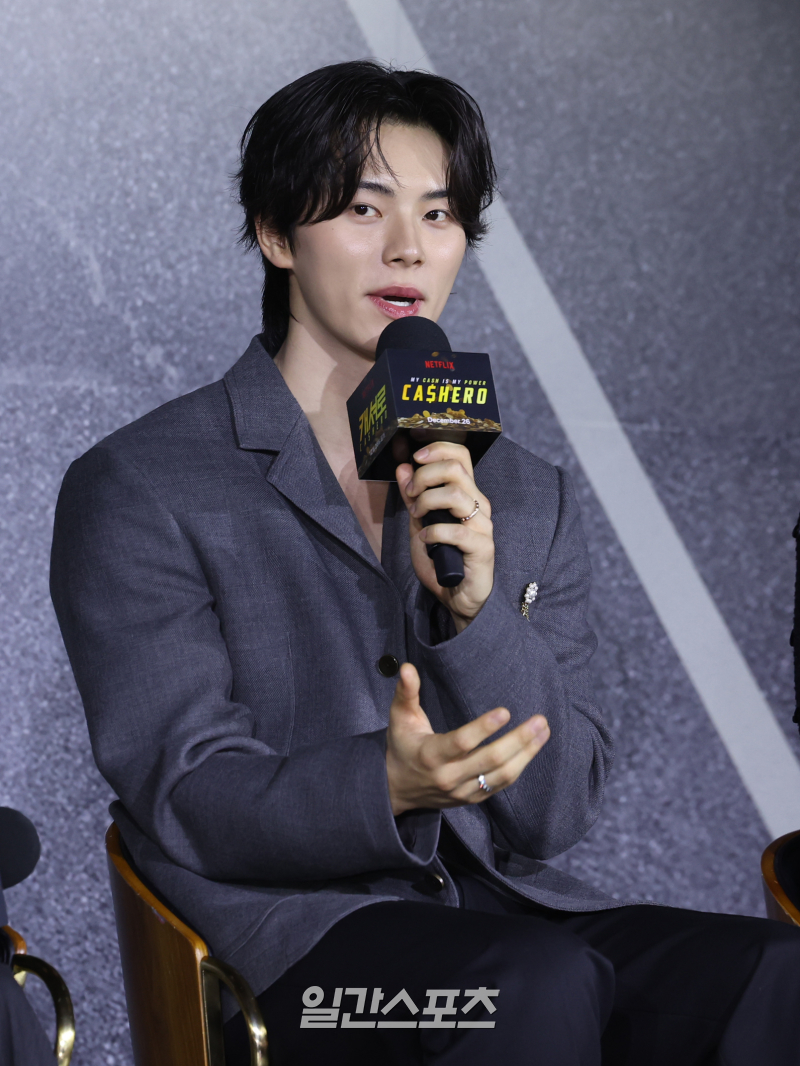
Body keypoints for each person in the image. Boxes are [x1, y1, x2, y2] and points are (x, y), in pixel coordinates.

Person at [50, 60, 800, 1065]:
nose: (408, 245)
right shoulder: (141, 483)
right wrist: (386, 784)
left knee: (772, 975)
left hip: (515, 915)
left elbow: (556, 811)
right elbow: (187, 792)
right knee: (527, 988)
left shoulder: (520, 491)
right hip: (293, 965)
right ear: (276, 234)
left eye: (438, 214)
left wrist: (476, 616)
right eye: (365, 208)